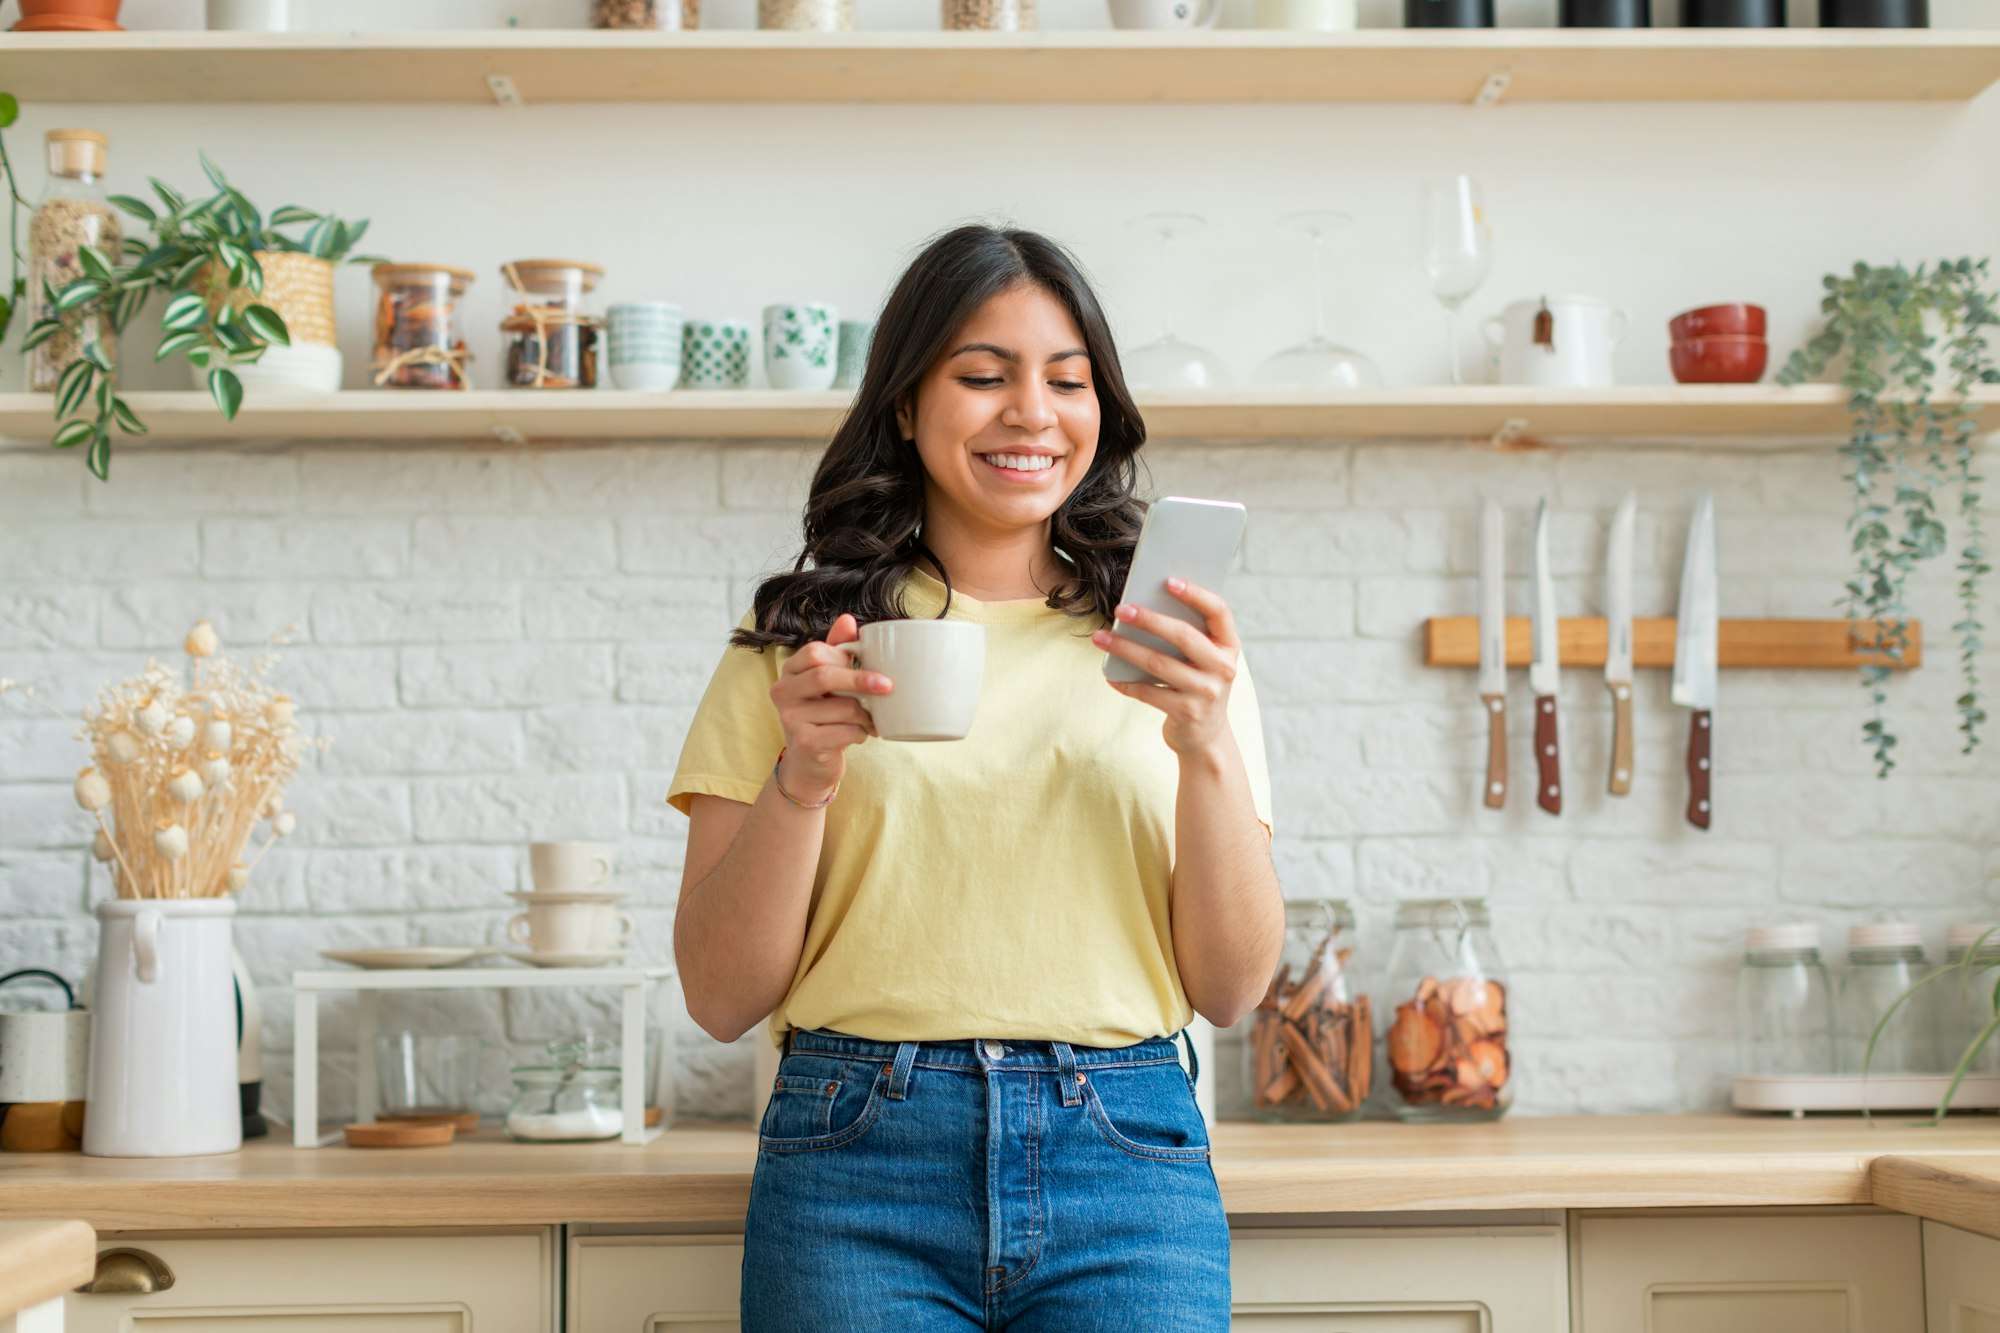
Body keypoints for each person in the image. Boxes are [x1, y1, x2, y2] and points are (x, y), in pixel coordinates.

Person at [666, 222, 1280, 1331]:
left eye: (1066, 379)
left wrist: (1204, 745)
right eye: (982, 376)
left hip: (1127, 1159)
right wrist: (802, 774)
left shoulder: (1175, 652)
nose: (1030, 413)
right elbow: (719, 996)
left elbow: (1231, 989)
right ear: (905, 403)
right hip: (854, 1161)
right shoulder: (798, 649)